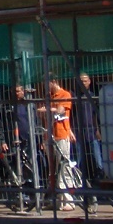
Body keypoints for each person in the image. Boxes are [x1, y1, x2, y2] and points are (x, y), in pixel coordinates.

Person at [39, 79, 79, 211]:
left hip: (61, 135)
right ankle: (57, 201)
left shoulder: (65, 94)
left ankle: (69, 201)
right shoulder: (50, 97)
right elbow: (44, 114)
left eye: (47, 83)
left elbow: (61, 110)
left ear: (54, 81)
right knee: (53, 170)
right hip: (49, 136)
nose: (45, 86)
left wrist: (48, 109)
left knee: (64, 166)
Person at [72, 73, 103, 183]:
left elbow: (95, 115)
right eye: (81, 81)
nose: (83, 83)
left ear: (89, 81)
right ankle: (78, 180)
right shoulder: (73, 96)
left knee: (97, 158)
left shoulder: (92, 96)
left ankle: (99, 178)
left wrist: (97, 130)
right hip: (77, 131)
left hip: (91, 131)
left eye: (85, 81)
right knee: (78, 159)